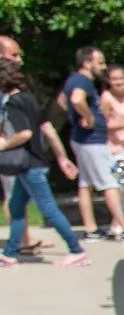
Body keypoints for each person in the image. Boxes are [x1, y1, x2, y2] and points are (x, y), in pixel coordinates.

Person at [0, 59, 88, 268]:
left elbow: (25, 133)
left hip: (29, 164)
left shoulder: (13, 103)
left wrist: (3, 144)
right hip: (34, 162)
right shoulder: (29, 99)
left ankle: (77, 250)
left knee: (48, 208)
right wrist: (62, 157)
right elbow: (47, 129)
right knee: (16, 205)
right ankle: (10, 253)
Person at [65, 46, 124, 241]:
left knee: (85, 184)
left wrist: (77, 117)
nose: (104, 66)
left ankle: (90, 229)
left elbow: (61, 100)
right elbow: (76, 99)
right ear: (87, 63)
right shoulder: (82, 80)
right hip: (92, 141)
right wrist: (88, 116)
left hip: (82, 139)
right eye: (100, 62)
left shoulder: (74, 80)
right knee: (110, 183)